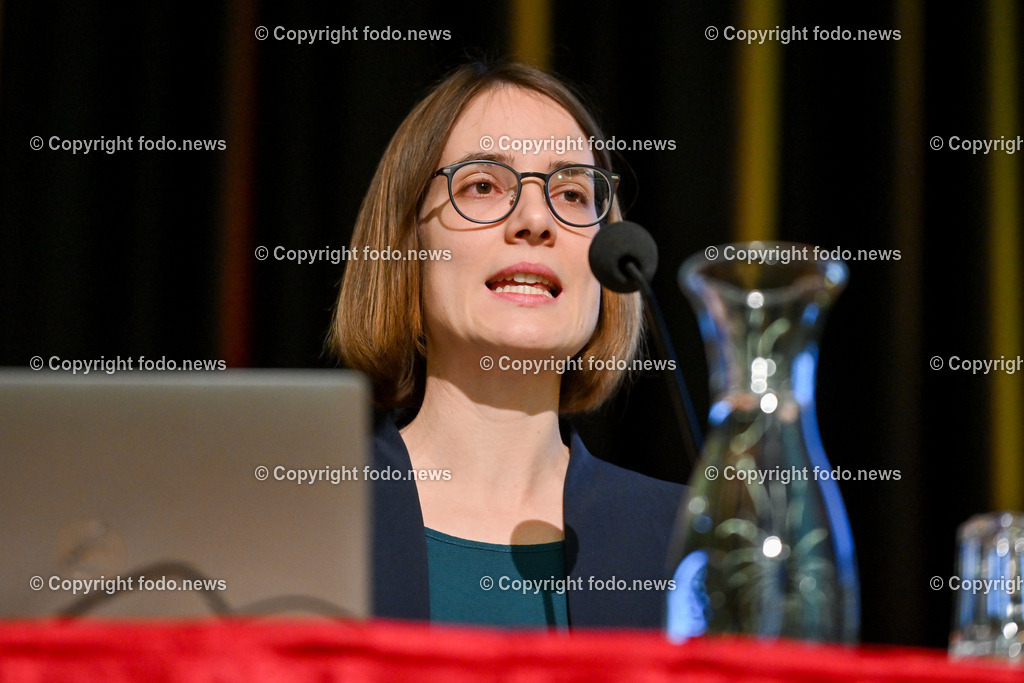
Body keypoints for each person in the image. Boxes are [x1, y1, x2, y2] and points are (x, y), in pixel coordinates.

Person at [331, 61, 683, 629]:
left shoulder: (687, 543)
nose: (535, 219)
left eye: (570, 193)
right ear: (406, 241)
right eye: (484, 185)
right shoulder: (303, 512)